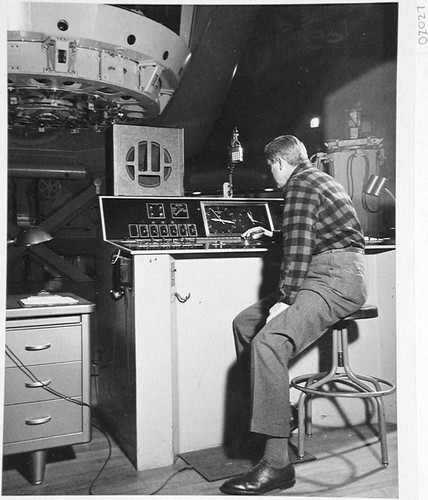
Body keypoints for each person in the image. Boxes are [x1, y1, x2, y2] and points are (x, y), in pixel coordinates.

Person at [219, 135, 368, 495]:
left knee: (268, 343)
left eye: (272, 167)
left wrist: (284, 300)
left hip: (334, 278)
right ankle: (279, 415)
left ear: (280, 163)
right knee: (246, 323)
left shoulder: (299, 183)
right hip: (330, 271)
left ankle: (277, 465)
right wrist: (273, 234)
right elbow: (308, 233)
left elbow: (300, 249)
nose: (272, 176)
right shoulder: (319, 179)